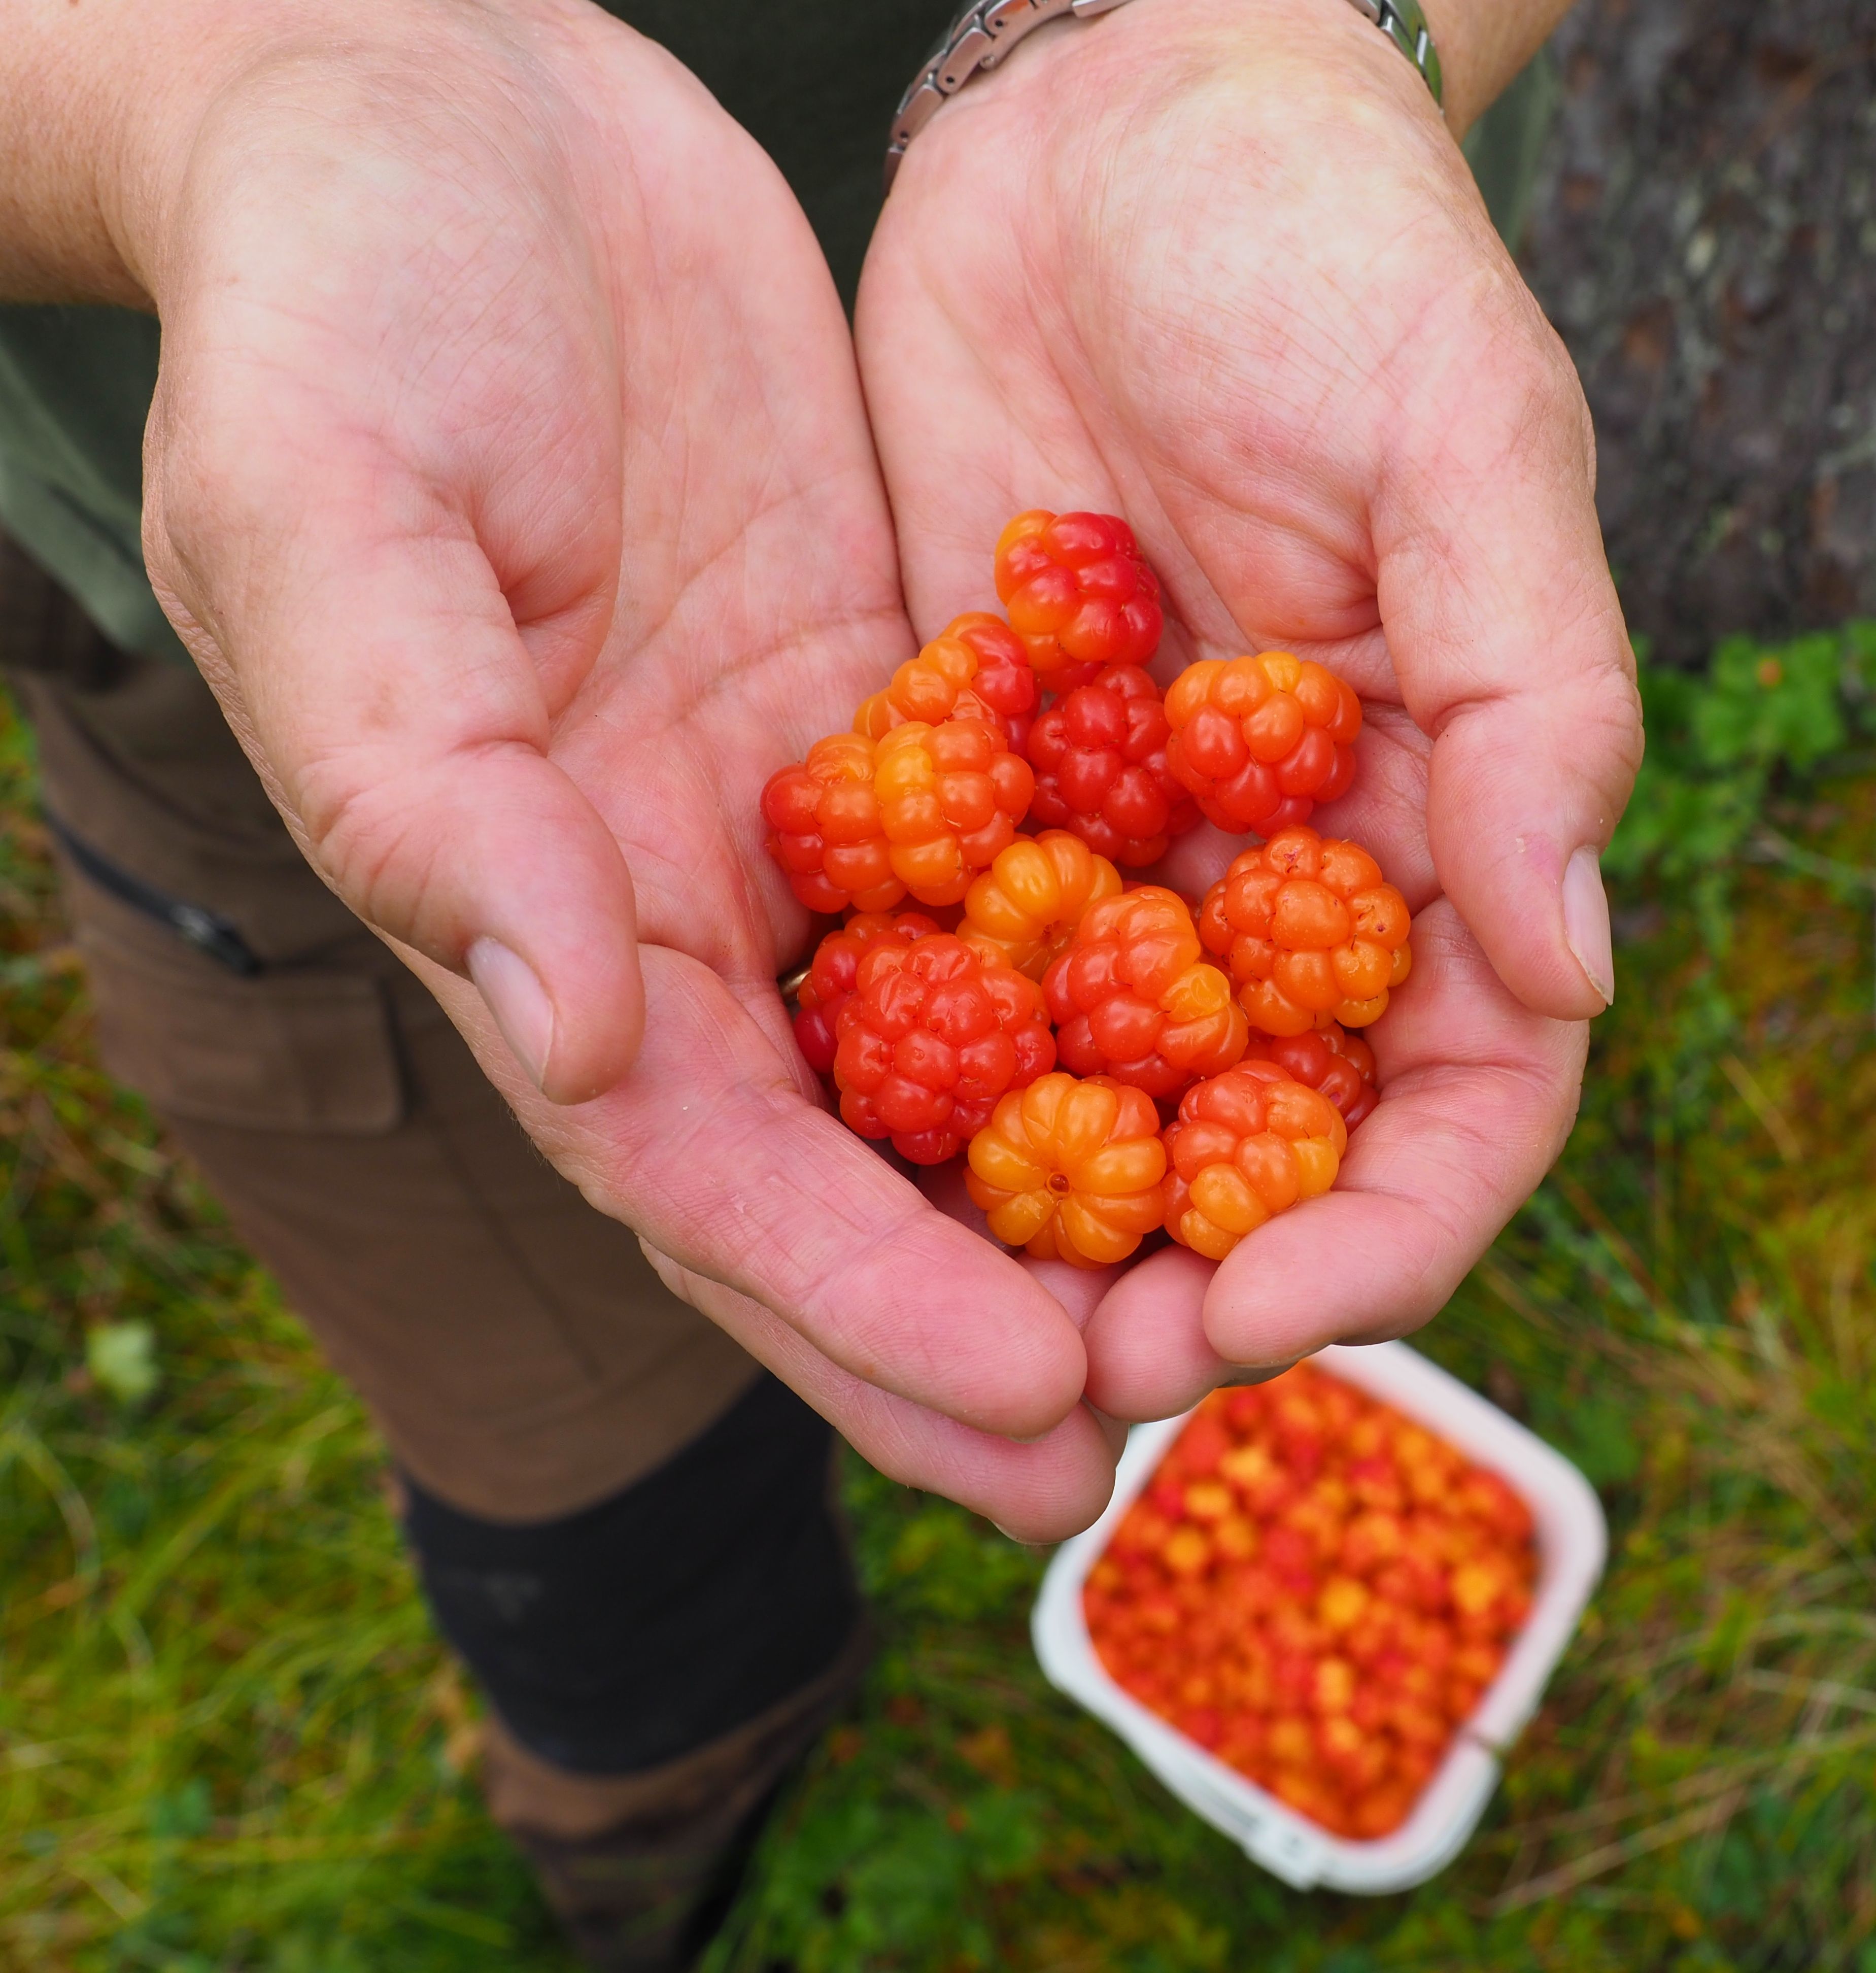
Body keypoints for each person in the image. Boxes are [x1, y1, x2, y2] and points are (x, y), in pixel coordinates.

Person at [0, 0, 1641, 1962]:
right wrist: (209, 108)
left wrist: (1288, 32)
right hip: (390, 562)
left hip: (1211, 374)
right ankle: (666, 1784)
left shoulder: (1083, 842)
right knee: (571, 1458)